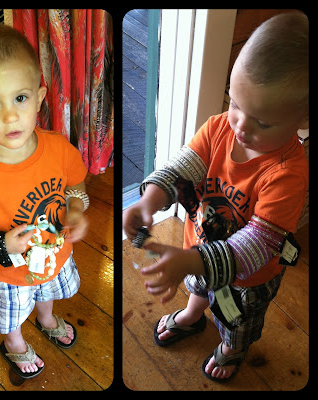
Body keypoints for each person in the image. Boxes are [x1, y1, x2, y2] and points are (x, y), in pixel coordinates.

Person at [123, 12, 308, 382]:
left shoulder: (287, 173)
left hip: (248, 279)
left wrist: (191, 261)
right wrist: (149, 200)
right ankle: (194, 315)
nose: (240, 125)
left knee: (237, 320)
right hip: (200, 250)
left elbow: (257, 245)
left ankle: (231, 349)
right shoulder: (219, 128)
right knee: (199, 285)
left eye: (262, 122)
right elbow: (183, 168)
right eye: (235, 103)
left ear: (303, 119)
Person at [0, 23, 89, 378]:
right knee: (12, 312)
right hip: (9, 270)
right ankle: (14, 343)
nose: (10, 116)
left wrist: (75, 209)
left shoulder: (58, 148)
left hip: (54, 254)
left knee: (47, 290)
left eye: (20, 98)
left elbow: (75, 182)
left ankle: (46, 319)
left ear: (39, 98)